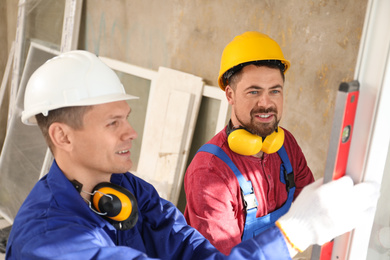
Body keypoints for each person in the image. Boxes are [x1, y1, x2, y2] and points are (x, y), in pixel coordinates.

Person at [5, 50, 379, 259]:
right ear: (62, 136)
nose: (131, 132)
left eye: (127, 118)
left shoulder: (129, 191)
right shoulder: (51, 241)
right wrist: (296, 232)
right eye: (112, 122)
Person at [184, 31, 317, 254]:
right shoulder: (209, 172)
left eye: (274, 91)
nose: (266, 103)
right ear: (230, 95)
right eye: (253, 91)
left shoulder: (286, 145)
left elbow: (309, 208)